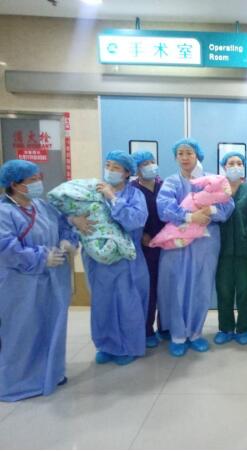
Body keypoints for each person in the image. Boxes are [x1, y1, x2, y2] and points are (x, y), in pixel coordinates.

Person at [0, 160, 78, 401]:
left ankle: (51, 373)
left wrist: (68, 241)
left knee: (52, 326)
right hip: (21, 284)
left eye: (38, 178)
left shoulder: (42, 206)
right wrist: (41, 257)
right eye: (32, 180)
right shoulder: (5, 213)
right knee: (23, 331)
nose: (38, 183)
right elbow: (6, 249)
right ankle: (18, 382)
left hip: (54, 280)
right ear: (15, 185)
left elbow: (65, 226)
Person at [156, 138, 234, 357]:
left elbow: (227, 207)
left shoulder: (214, 180)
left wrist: (211, 212)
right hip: (176, 244)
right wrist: (190, 216)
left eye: (189, 153)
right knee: (176, 286)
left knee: (201, 286)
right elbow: (164, 208)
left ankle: (195, 333)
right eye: (180, 153)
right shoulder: (171, 183)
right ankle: (178, 335)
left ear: (197, 155)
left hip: (205, 244)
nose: (184, 157)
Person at [70, 150, 149, 366]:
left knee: (128, 304)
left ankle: (129, 346)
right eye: (108, 165)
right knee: (102, 304)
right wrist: (74, 220)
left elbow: (135, 221)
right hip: (98, 261)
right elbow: (71, 210)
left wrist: (113, 198)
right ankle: (106, 345)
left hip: (126, 259)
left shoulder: (135, 195)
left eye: (116, 167)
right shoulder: (92, 191)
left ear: (127, 172)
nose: (110, 170)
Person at [215, 151, 247, 346]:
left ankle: (244, 328)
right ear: (224, 167)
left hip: (245, 251)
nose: (235, 166)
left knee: (244, 291)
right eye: (231, 163)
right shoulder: (216, 192)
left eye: (239, 163)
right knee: (223, 290)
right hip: (221, 251)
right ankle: (225, 328)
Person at [131, 150, 167, 347]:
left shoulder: (165, 186)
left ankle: (166, 327)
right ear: (136, 169)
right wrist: (141, 234)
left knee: (167, 287)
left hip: (168, 245)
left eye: (152, 162)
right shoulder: (132, 189)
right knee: (148, 289)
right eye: (145, 164)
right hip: (145, 247)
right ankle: (146, 330)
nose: (150, 166)